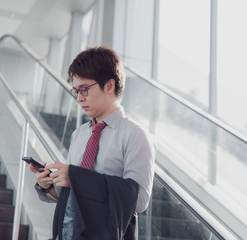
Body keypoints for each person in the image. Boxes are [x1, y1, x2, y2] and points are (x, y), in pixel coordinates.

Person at [29, 46, 155, 240]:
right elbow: (73, 196)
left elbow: (139, 200)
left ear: (109, 86)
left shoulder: (135, 135)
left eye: (85, 89)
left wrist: (77, 178)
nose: (79, 98)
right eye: (76, 91)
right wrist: (49, 185)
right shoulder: (79, 134)